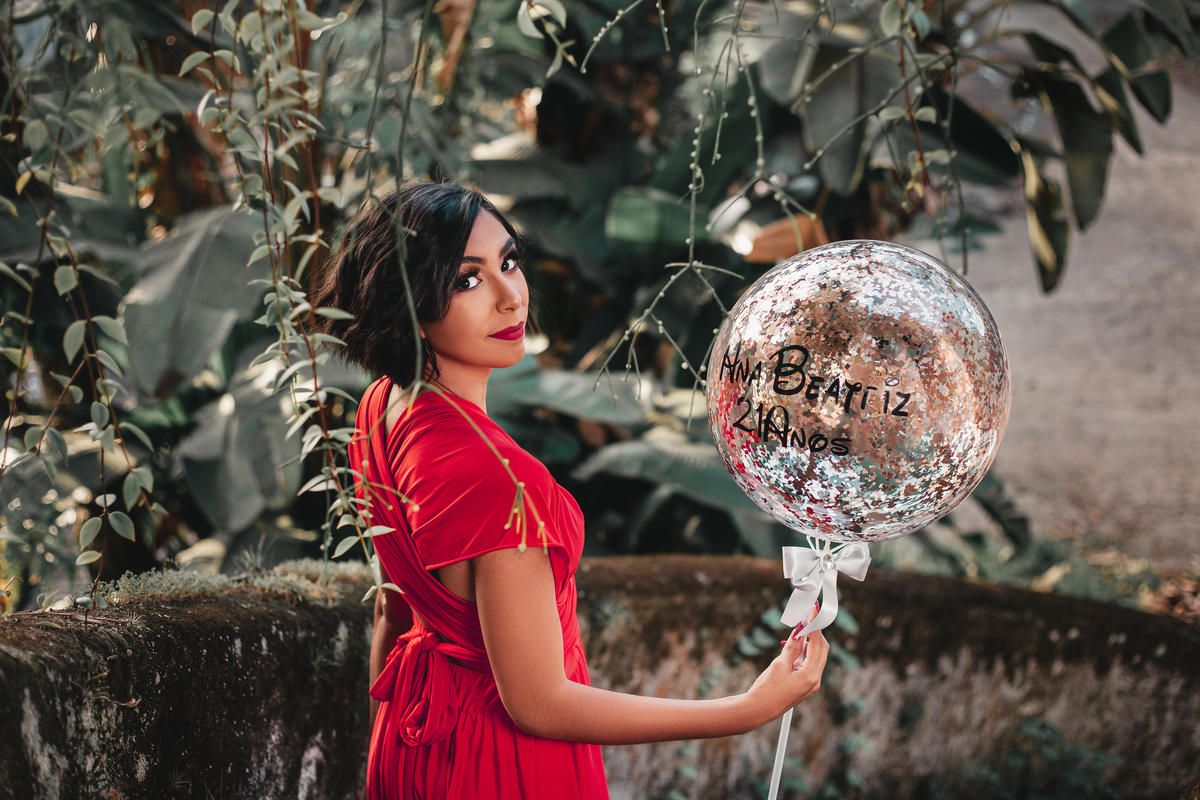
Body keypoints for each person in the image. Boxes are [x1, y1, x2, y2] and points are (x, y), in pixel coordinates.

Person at [313, 181, 828, 799]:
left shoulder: (381, 410)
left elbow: (392, 610)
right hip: (498, 765)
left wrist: (391, 748)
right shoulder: (503, 482)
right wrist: (745, 710)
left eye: (508, 262)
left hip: (411, 739)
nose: (511, 297)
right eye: (466, 280)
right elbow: (540, 704)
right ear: (409, 303)